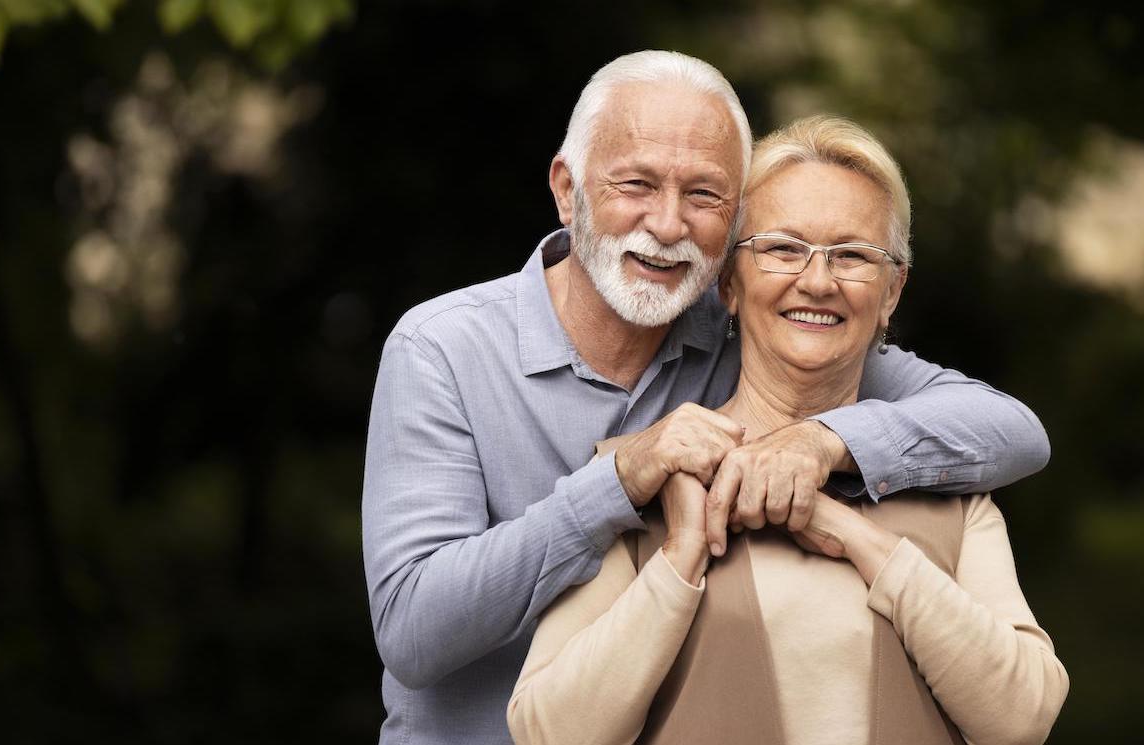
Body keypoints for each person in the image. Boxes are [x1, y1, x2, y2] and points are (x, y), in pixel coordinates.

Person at [363, 51, 1050, 745]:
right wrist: (616, 485)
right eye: (636, 183)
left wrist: (823, 441)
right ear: (568, 189)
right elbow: (414, 632)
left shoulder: (752, 329)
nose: (667, 224)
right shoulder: (441, 349)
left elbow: (1012, 431)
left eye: (704, 195)